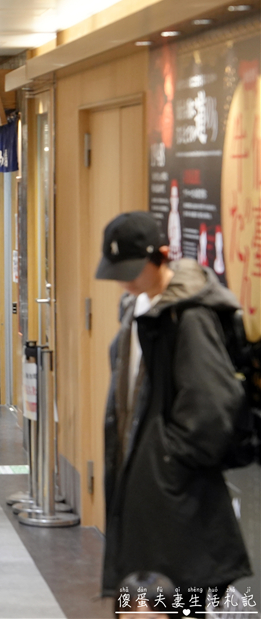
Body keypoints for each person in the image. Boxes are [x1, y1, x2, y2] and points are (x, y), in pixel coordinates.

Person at [95, 212, 250, 597]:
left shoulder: (189, 316)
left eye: (133, 268)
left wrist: (166, 460)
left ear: (161, 256)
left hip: (178, 496)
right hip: (150, 491)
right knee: (148, 600)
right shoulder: (138, 309)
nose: (125, 279)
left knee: (179, 601)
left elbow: (212, 407)